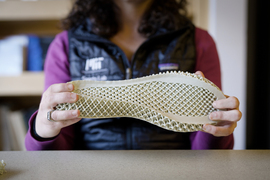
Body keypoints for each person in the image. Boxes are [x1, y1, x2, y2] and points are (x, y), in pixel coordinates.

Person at [25, 0, 242, 150]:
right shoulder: (66, 45)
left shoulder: (198, 41)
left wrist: (217, 127)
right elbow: (56, 155)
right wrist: (42, 131)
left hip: (175, 171)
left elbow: (207, 153)